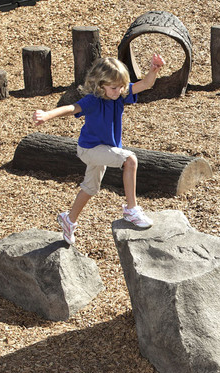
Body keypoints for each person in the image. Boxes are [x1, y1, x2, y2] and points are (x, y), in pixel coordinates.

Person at [32, 54, 165, 244]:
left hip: (103, 149)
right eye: (113, 88)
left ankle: (69, 220)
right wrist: (46, 115)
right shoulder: (93, 100)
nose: (118, 91)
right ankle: (131, 210)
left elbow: (145, 84)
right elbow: (71, 108)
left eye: (121, 87)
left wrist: (153, 70)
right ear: (100, 85)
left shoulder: (118, 94)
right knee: (130, 160)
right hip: (90, 150)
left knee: (90, 188)